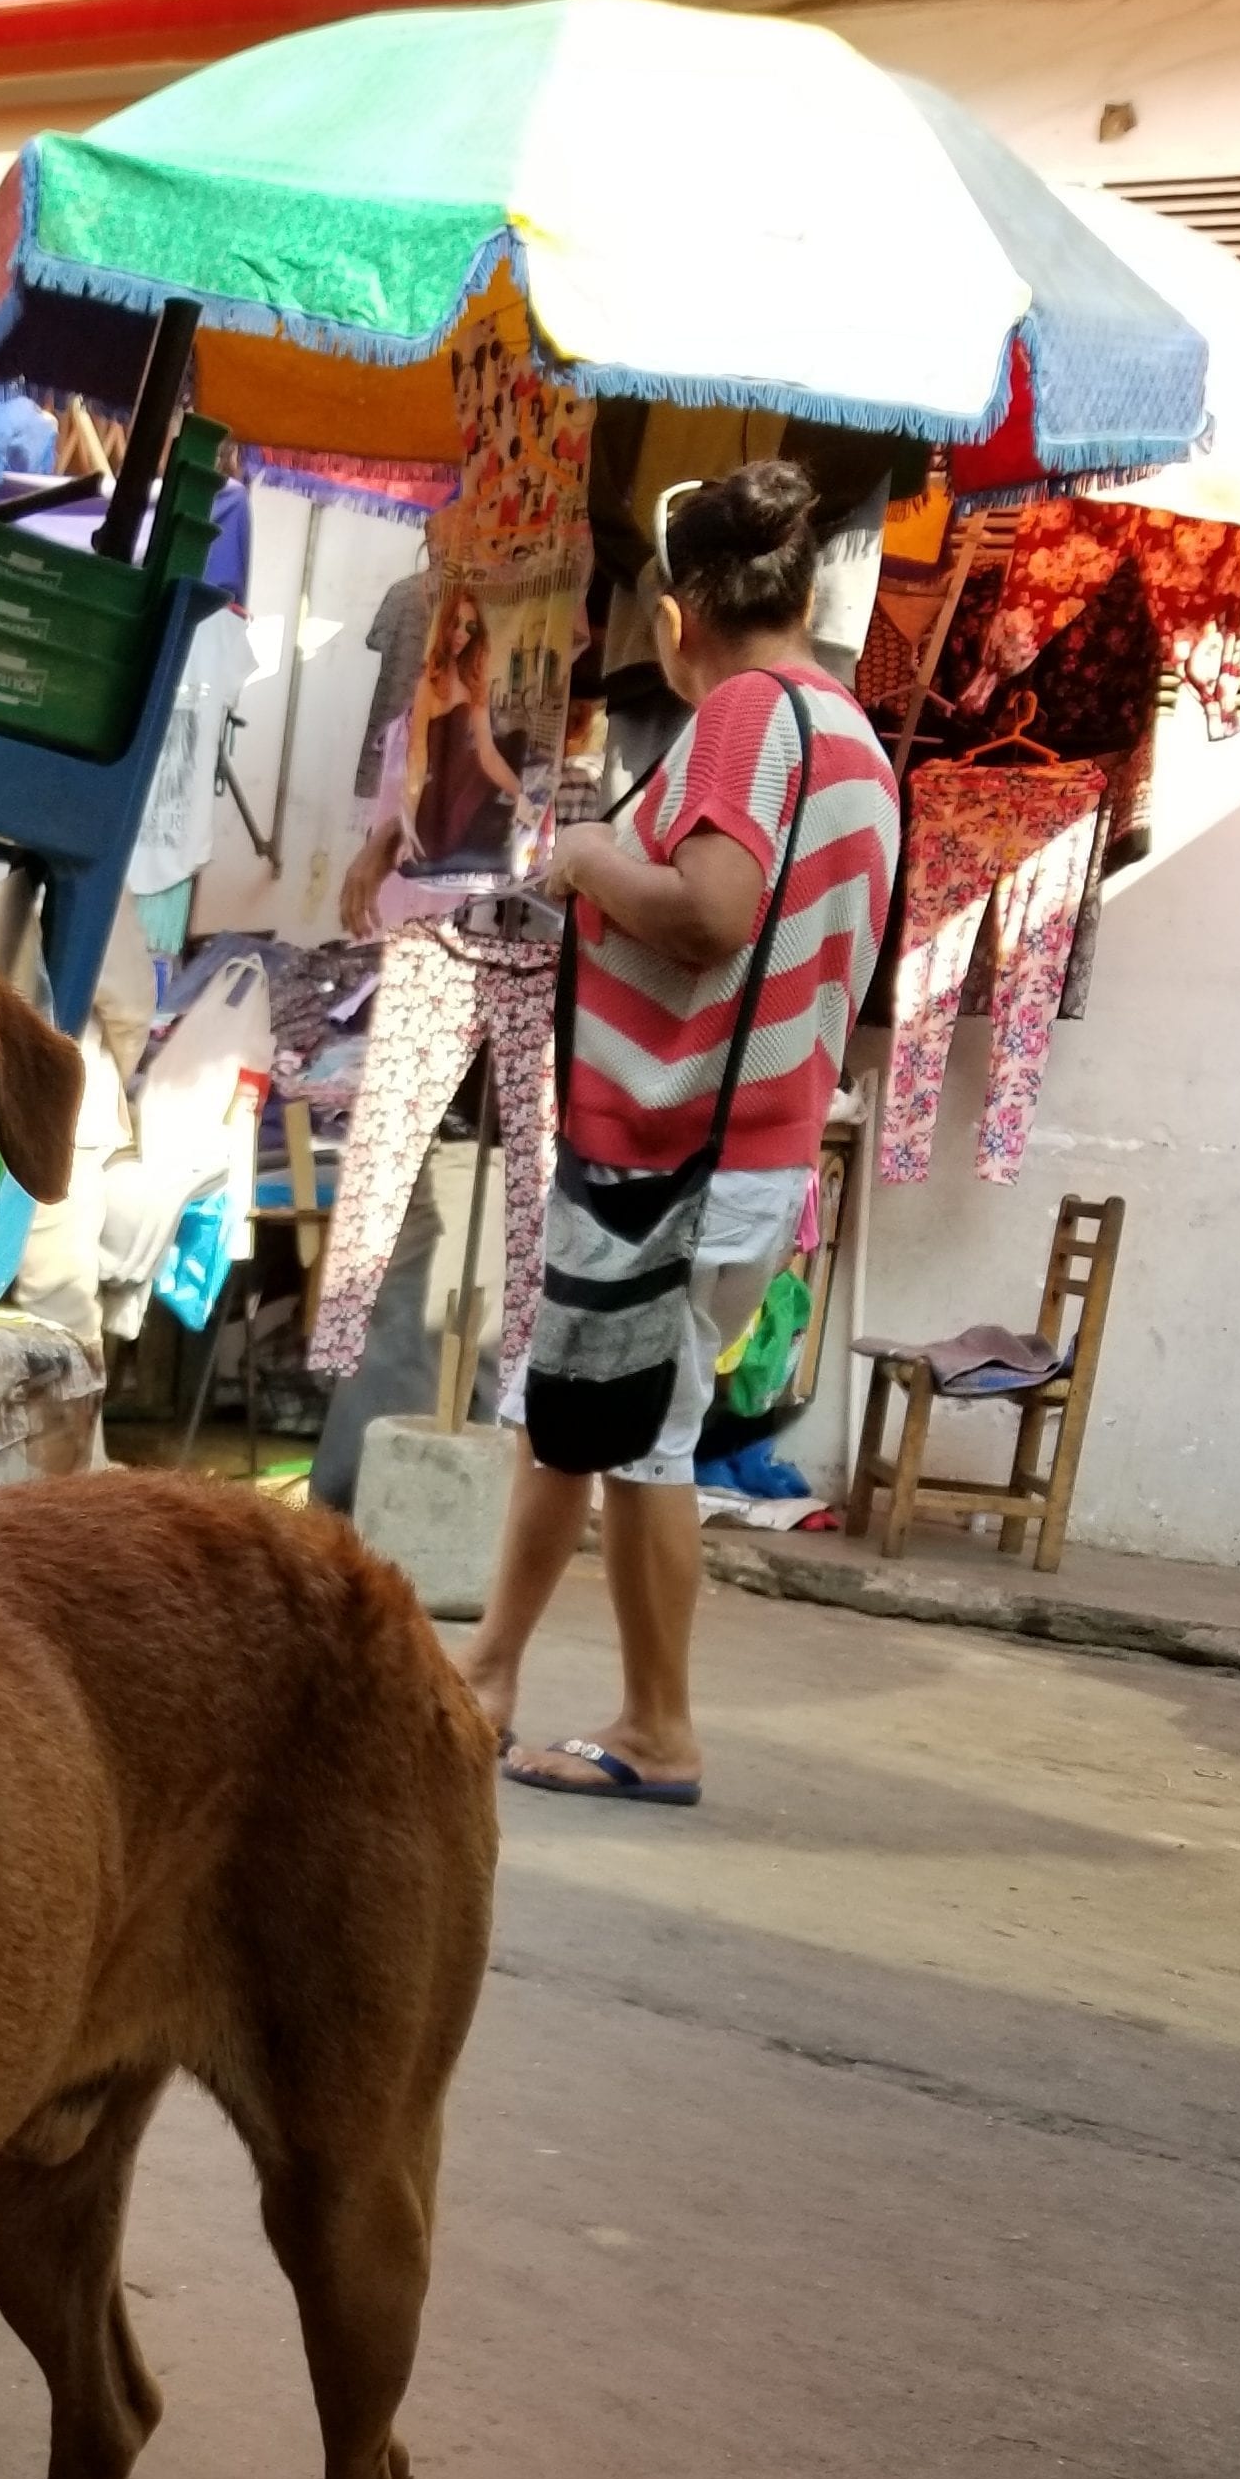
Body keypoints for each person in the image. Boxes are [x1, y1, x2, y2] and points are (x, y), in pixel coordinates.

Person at [459, 461, 900, 1806]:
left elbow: (710, 911)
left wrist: (592, 858)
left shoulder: (743, 719)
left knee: (638, 1429)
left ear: (674, 620)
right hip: (735, 1152)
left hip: (677, 1157)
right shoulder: (853, 742)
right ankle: (489, 1671)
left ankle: (659, 1729)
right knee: (567, 1409)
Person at [340, 571, 522, 937]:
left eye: (471, 628)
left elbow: (486, 753)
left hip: (461, 789)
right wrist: (406, 822)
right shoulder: (431, 680)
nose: (460, 634)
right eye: (456, 624)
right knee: (405, 910)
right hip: (422, 788)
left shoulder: (475, 680)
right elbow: (419, 755)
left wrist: (524, 797)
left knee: (448, 914)